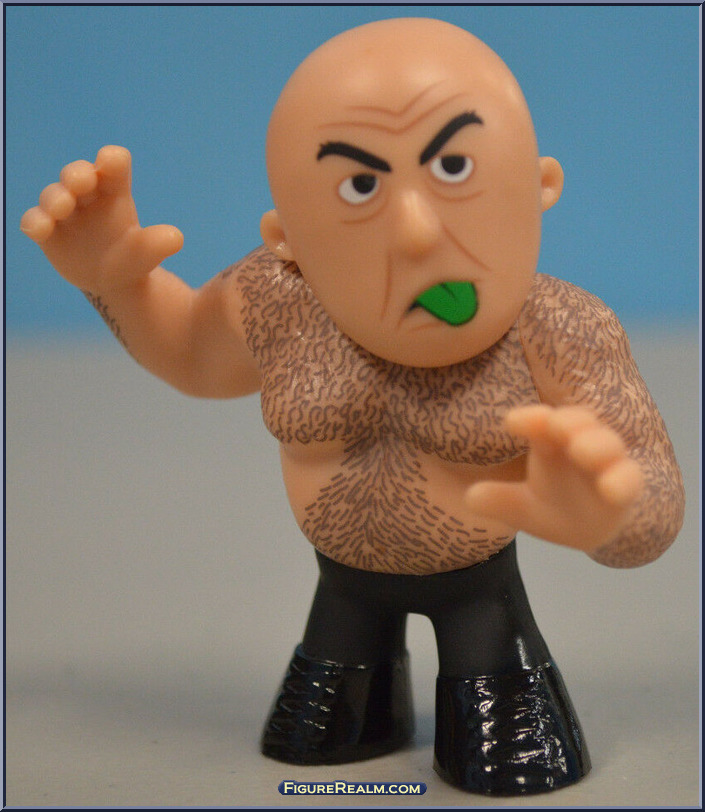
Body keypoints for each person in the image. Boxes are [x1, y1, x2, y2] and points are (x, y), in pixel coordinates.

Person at [21, 17, 684, 796]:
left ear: (538, 185)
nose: (414, 233)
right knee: (311, 747)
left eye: (452, 166)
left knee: (509, 768)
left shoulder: (558, 326)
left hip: (482, 602)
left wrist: (608, 518)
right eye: (360, 186)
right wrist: (113, 285)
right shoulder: (276, 299)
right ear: (287, 236)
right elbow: (190, 354)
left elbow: (649, 490)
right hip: (339, 596)